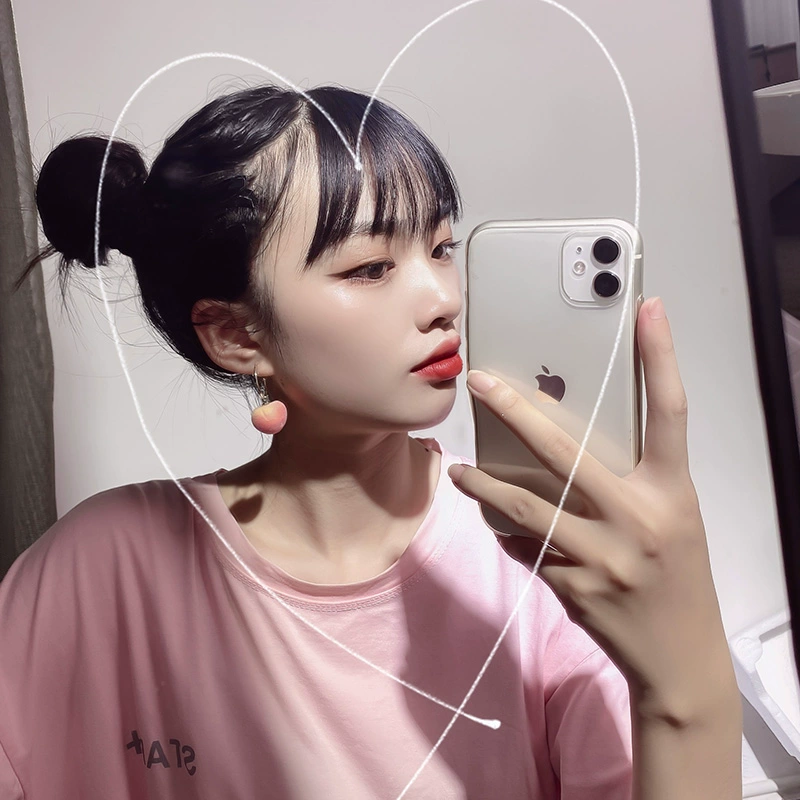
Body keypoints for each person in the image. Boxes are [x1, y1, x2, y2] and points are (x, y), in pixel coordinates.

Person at [1, 84, 741, 799]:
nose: (444, 299)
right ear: (235, 334)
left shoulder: (536, 556)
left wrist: (687, 689)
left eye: (442, 247)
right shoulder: (97, 566)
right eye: (371, 268)